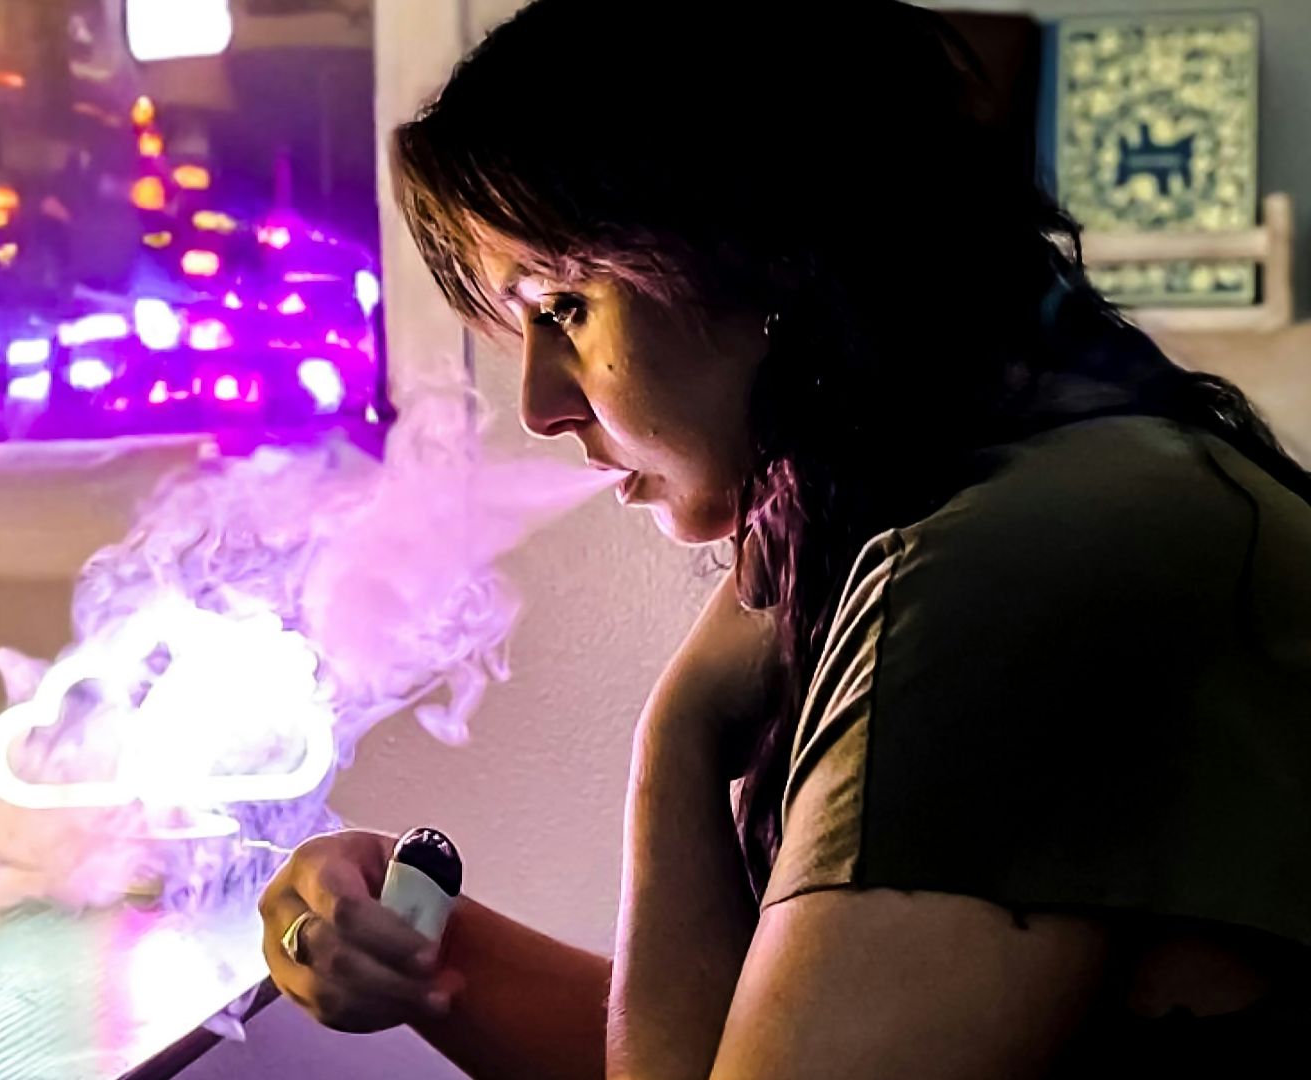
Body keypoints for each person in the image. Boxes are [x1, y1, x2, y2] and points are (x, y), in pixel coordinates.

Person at [256, 2, 1311, 1076]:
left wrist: (678, 736)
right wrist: (430, 949)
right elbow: (739, 1045)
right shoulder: (1071, 484)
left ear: (759, 259)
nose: (537, 404)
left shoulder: (1006, 570)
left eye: (565, 304)